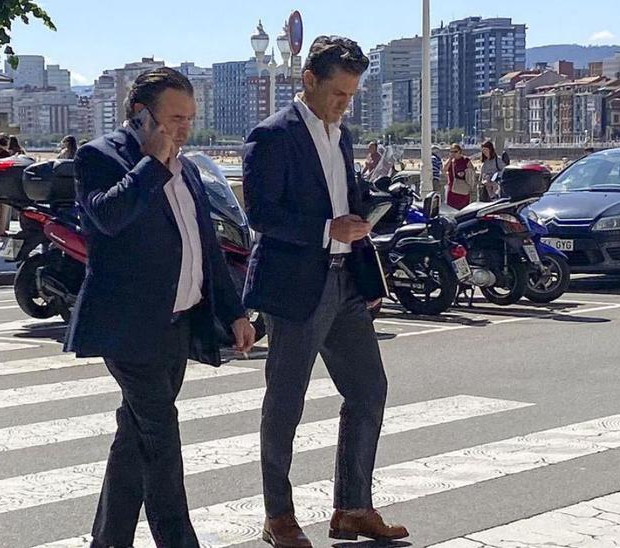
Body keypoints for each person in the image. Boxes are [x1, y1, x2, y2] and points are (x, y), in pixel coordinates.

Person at [65, 67, 257, 548]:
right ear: (139, 115)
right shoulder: (100, 157)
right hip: (128, 329)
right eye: (174, 119)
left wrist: (234, 312)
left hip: (176, 326)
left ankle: (108, 541)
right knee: (162, 443)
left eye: (189, 119)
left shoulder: (189, 168)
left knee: (135, 439)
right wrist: (151, 164)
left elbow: (207, 247)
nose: (183, 130)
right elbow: (107, 217)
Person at [242, 35, 406, 548]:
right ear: (308, 80)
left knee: (369, 389)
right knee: (285, 402)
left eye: (352, 94)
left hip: (345, 282)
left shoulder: (343, 135)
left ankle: (352, 508)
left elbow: (345, 200)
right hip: (296, 285)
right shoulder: (270, 136)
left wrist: (368, 220)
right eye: (338, 93)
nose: (345, 103)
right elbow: (262, 215)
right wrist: (325, 229)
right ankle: (279, 516)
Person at [445, 142, 476, 210]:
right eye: (451, 151)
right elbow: (444, 169)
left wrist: (464, 173)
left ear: (460, 151)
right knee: (450, 209)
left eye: (455, 151)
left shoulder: (465, 160)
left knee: (463, 209)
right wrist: (450, 159)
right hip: (452, 189)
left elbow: (472, 173)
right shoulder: (451, 161)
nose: (453, 153)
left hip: (463, 189)